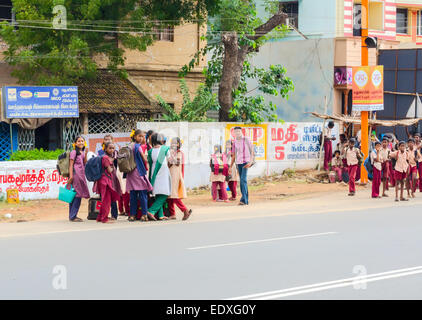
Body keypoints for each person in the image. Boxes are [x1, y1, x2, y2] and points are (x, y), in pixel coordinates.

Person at [126, 129, 153, 222]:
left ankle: (132, 215)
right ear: (135, 137)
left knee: (133, 195)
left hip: (130, 173)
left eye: (143, 136)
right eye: (139, 136)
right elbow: (144, 159)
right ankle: (144, 214)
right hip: (139, 172)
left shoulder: (129, 146)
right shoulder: (138, 146)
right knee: (143, 194)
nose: (141, 138)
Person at [93, 142, 122, 223]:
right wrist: (112, 166)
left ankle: (99, 217)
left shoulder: (104, 157)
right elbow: (109, 170)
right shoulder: (105, 158)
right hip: (105, 181)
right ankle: (104, 218)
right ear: (105, 149)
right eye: (110, 148)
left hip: (103, 181)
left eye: (113, 148)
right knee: (107, 200)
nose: (112, 150)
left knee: (105, 199)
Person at [147, 133, 171, 221]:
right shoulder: (165, 149)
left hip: (154, 172)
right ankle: (151, 211)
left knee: (158, 193)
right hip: (163, 171)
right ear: (160, 140)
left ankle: (161, 215)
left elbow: (149, 162)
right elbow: (170, 160)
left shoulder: (150, 151)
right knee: (165, 193)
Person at [167, 137, 191, 220]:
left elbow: (177, 163)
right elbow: (169, 164)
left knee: (174, 194)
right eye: (172, 143)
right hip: (170, 174)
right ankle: (172, 213)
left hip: (176, 175)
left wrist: (171, 157)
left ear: (178, 144)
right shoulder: (171, 153)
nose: (173, 144)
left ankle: (185, 210)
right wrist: (170, 157)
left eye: (175, 143)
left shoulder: (179, 153)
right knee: (169, 195)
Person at [67, 136, 90, 222]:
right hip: (76, 175)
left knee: (75, 195)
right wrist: (71, 176)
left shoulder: (82, 152)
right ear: (75, 143)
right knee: (77, 195)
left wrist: (86, 154)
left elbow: (84, 163)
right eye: (79, 141)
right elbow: (71, 165)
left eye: (82, 141)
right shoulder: (74, 152)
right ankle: (73, 216)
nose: (81, 143)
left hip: (81, 176)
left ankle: (72, 215)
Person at [230, 127, 255, 205]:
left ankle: (243, 200)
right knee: (242, 181)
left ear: (241, 131)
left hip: (246, 162)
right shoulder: (234, 142)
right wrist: (230, 166)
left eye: (238, 131)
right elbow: (234, 155)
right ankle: (246, 200)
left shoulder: (246, 139)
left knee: (243, 180)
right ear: (234, 133)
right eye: (236, 132)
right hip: (238, 163)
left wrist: (250, 162)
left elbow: (252, 151)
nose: (237, 133)